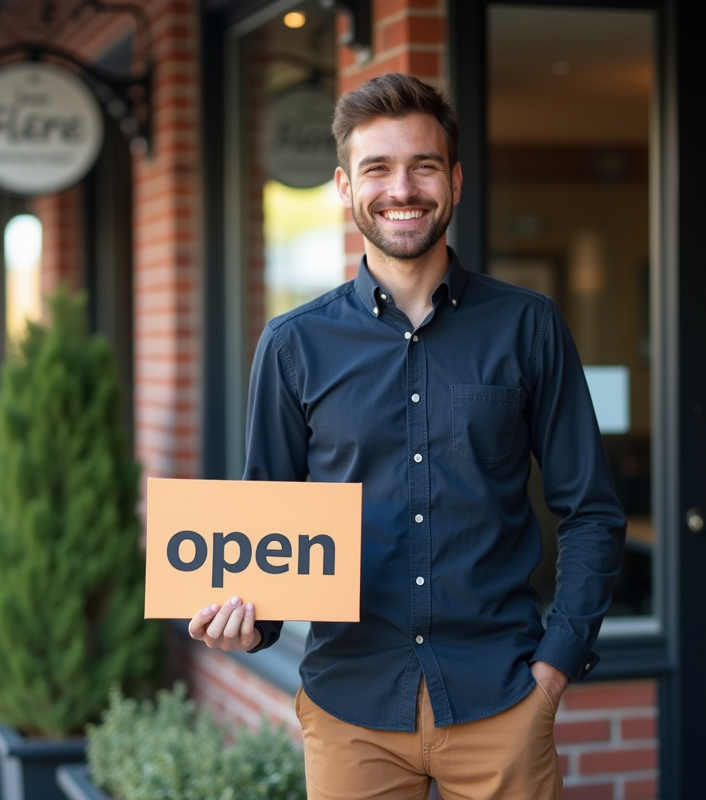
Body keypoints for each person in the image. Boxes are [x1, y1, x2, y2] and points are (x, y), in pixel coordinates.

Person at [187, 73, 625, 799]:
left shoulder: (529, 326)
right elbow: (264, 520)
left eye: (423, 165)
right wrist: (249, 623)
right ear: (343, 185)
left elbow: (593, 510)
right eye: (378, 169)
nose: (402, 188)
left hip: (502, 699)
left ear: (453, 179)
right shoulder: (294, 345)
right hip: (350, 709)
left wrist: (556, 663)